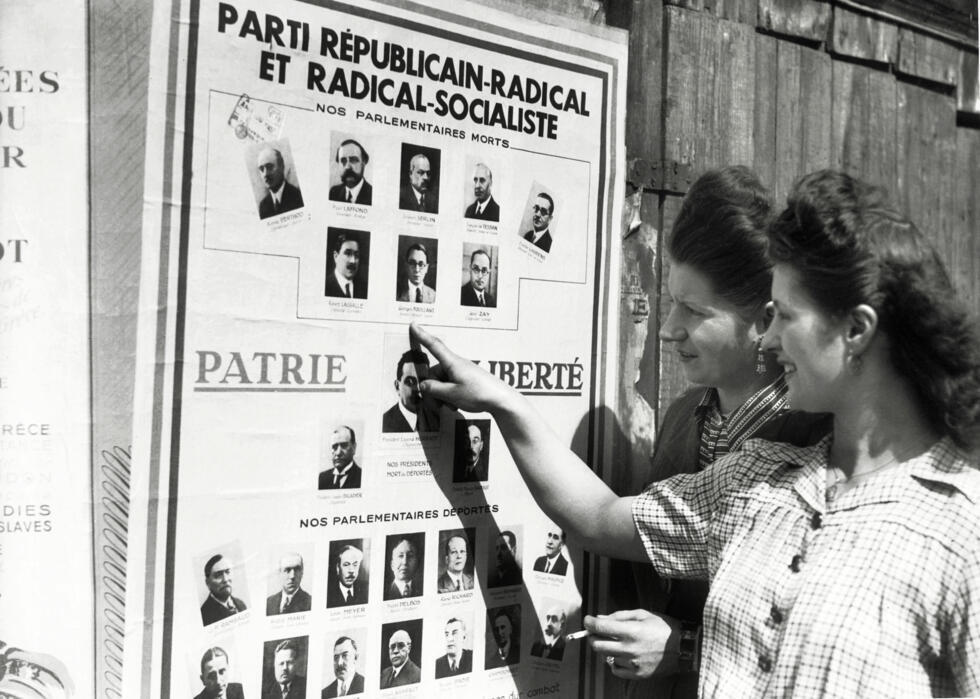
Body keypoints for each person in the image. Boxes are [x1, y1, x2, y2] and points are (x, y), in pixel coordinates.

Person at [411, 169, 980, 697]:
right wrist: (502, 401)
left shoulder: (959, 529)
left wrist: (683, 646)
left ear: (856, 330)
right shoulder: (760, 477)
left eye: (784, 316)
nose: (768, 338)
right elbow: (600, 518)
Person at [381, 349, 440, 433]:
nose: (418, 388)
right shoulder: (384, 423)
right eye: (410, 381)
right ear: (397, 386)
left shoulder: (437, 420)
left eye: (423, 381)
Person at [256, 146, 303, 219]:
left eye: (269, 167)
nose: (265, 174)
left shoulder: (298, 197)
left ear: (282, 167)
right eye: (261, 169)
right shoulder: (263, 206)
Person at [200, 554, 247, 625]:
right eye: (218, 575)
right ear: (207, 582)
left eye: (227, 572)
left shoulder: (241, 604)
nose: (225, 579)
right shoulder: (204, 616)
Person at [324, 233, 368, 300]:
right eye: (348, 253)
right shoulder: (325, 286)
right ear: (336, 256)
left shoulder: (365, 288)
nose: (353, 261)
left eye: (356, 255)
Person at [328, 139, 372, 205]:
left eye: (353, 160)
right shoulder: (333, 193)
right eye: (343, 161)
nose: (347, 167)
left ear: (363, 162)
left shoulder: (372, 195)